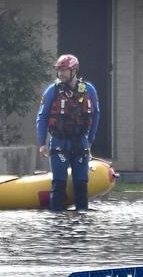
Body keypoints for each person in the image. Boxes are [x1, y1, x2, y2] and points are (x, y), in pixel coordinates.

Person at [35, 54, 100, 212]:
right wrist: (42, 143)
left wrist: (90, 140)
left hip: (80, 143)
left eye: (64, 70)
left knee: (81, 185)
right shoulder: (53, 90)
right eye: (59, 70)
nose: (61, 74)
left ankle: (81, 219)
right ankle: (57, 221)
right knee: (58, 185)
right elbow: (42, 117)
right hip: (59, 143)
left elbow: (96, 115)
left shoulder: (89, 89)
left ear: (74, 70)